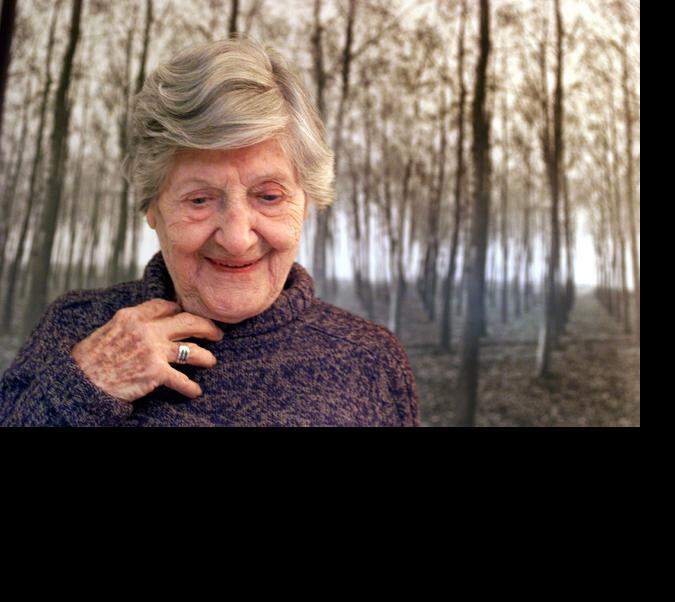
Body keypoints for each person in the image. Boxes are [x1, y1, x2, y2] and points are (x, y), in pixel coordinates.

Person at [0, 37, 418, 427]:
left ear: (306, 201)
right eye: (199, 200)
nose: (237, 239)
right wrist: (87, 384)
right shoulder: (76, 329)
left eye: (268, 196)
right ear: (152, 207)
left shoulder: (370, 361)